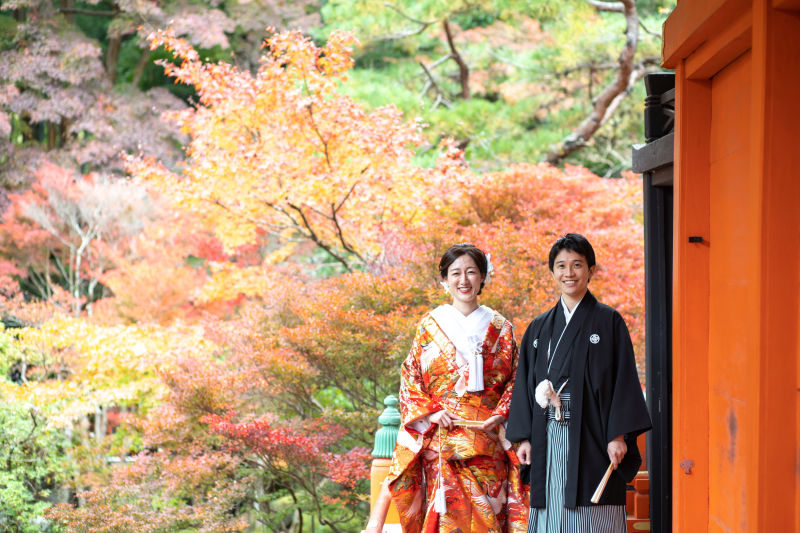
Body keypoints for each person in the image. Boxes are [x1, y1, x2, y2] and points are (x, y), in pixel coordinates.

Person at [506, 234, 651, 533]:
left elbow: (623, 380)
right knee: (551, 505)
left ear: (591, 270)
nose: (568, 273)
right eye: (561, 266)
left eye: (577, 265)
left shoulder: (609, 321)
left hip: (594, 433)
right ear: (552, 272)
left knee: (594, 505)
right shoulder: (539, 327)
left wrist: (618, 434)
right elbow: (524, 385)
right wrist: (523, 438)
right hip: (547, 431)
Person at [384, 243, 529, 533]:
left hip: (488, 440)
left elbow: (518, 378)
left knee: (490, 518)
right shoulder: (430, 325)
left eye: (472, 272)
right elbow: (411, 376)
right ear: (444, 280)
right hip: (443, 439)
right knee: (446, 520)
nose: (464, 280)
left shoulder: (502, 327)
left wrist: (502, 413)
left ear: (483, 277)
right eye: (456, 273)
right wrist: (432, 413)